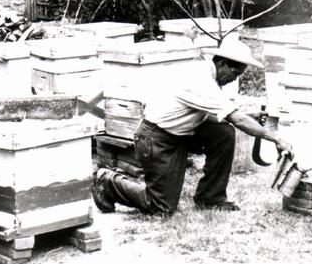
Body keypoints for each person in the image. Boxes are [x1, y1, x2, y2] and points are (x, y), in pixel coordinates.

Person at [92, 39, 293, 214]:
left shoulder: (205, 73)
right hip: (156, 140)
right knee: (161, 206)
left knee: (223, 133)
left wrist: (248, 119)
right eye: (235, 72)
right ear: (222, 63)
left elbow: (218, 117)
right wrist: (275, 138)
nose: (235, 78)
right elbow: (237, 119)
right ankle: (109, 181)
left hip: (178, 134)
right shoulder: (201, 81)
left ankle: (210, 197)